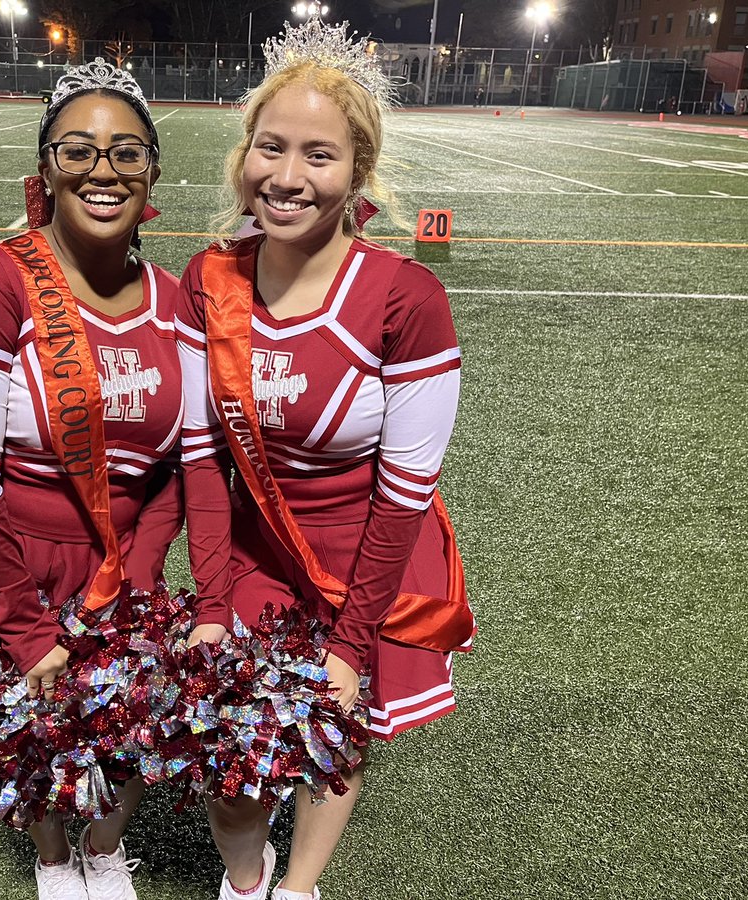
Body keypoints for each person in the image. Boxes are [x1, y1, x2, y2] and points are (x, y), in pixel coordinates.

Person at [176, 19, 474, 900]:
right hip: (255, 552)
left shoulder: (407, 297)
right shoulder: (209, 279)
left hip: (369, 561)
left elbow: (406, 492)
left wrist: (351, 646)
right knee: (227, 767)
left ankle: (300, 885)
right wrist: (213, 603)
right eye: (270, 148)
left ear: (357, 174)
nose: (287, 177)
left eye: (318, 155)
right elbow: (201, 463)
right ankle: (245, 878)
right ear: (244, 157)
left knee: (332, 745)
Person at [0, 58, 181, 900]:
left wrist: (144, 565)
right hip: (7, 547)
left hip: (126, 554)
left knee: (132, 719)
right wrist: (23, 626)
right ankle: (54, 859)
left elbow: (188, 462)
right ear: (45, 167)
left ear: (153, 170)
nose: (103, 170)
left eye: (126, 151)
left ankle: (106, 848)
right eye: (77, 149)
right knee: (34, 718)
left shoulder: (176, 299)